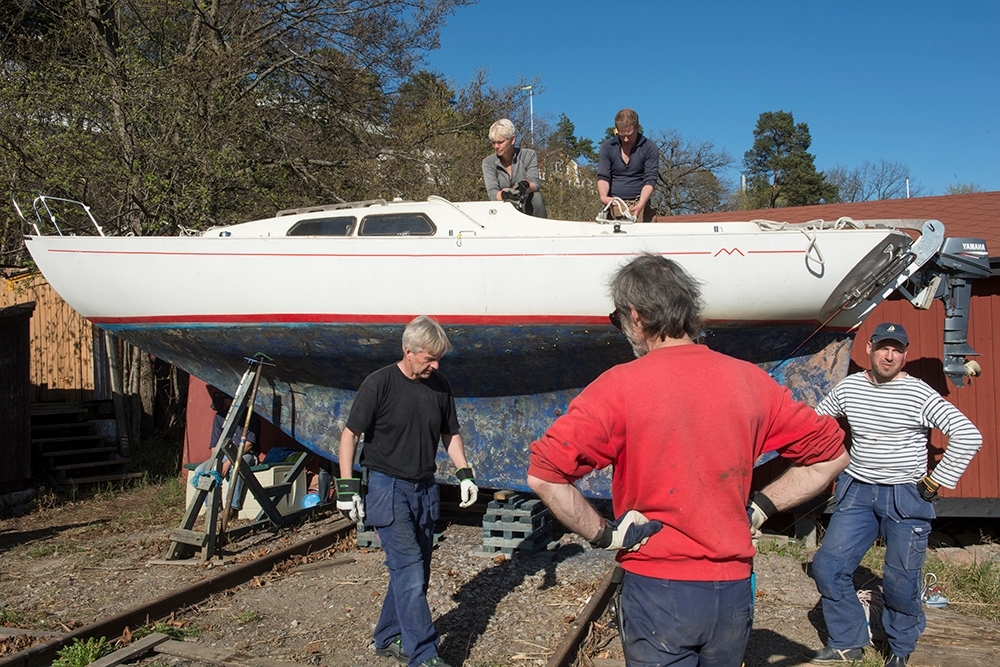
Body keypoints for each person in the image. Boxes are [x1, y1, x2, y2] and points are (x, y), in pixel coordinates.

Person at [526, 253, 849, 667]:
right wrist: (760, 507)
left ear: (637, 317)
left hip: (658, 589)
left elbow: (545, 475)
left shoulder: (620, 386)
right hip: (731, 593)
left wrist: (605, 535)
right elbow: (832, 456)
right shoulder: (751, 381)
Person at [806, 323, 982, 667]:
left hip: (905, 494)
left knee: (901, 581)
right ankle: (847, 641)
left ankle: (900, 650)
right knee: (827, 567)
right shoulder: (849, 388)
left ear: (905, 354)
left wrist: (937, 481)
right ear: (869, 348)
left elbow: (968, 434)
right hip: (856, 491)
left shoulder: (919, 393)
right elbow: (816, 421)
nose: (889, 356)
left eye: (897, 350)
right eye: (884, 347)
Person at [337, 315, 479, 667]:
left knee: (414, 573)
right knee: (411, 571)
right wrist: (346, 486)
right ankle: (424, 654)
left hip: (425, 489)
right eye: (429, 358)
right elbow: (350, 435)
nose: (436, 364)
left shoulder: (440, 386)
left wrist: (464, 474)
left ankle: (387, 636)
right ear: (409, 351)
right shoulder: (379, 384)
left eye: (438, 358)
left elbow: (450, 433)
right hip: (388, 488)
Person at [192, 389, 260, 522]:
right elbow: (214, 445)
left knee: (237, 467)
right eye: (228, 401)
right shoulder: (220, 417)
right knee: (200, 471)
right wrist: (216, 463)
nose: (229, 403)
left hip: (244, 454)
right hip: (222, 455)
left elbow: (249, 445)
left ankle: (232, 508)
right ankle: (213, 508)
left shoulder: (252, 417)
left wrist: (228, 463)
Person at [597, 108, 659, 222]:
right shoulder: (607, 147)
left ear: (638, 127)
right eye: (621, 135)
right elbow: (603, 177)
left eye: (629, 135)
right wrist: (603, 196)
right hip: (613, 205)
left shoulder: (650, 148)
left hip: (640, 204)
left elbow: (650, 180)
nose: (625, 139)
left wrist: (641, 203)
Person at [481, 118, 547, 218]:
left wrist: (525, 187)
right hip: (503, 209)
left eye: (500, 142)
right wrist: (505, 194)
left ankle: (543, 230)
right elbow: (492, 193)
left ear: (512, 140)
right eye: (493, 143)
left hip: (527, 205)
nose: (496, 146)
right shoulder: (488, 162)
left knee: (536, 197)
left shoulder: (529, 155)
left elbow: (535, 184)